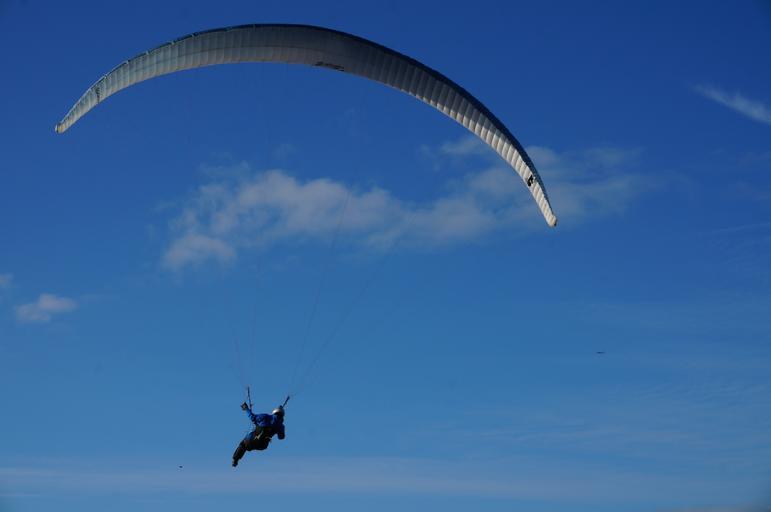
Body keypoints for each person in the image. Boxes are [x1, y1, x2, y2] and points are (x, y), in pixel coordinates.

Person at [232, 402, 286, 467]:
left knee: (243, 445)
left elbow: (252, 417)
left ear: (274, 412)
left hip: (251, 440)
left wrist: (246, 409)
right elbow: (281, 437)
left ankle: (235, 460)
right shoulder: (281, 426)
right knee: (251, 445)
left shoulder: (265, 416)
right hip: (262, 445)